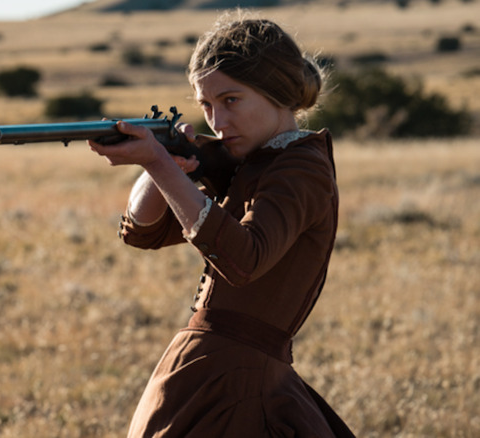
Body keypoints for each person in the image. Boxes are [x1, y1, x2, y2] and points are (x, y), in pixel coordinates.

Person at [88, 10, 355, 438]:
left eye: (231, 100)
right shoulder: (248, 163)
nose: (217, 121)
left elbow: (244, 258)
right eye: (207, 105)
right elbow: (141, 230)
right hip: (213, 369)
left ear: (278, 92)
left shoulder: (301, 167)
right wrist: (162, 160)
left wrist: (161, 163)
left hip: (234, 379)